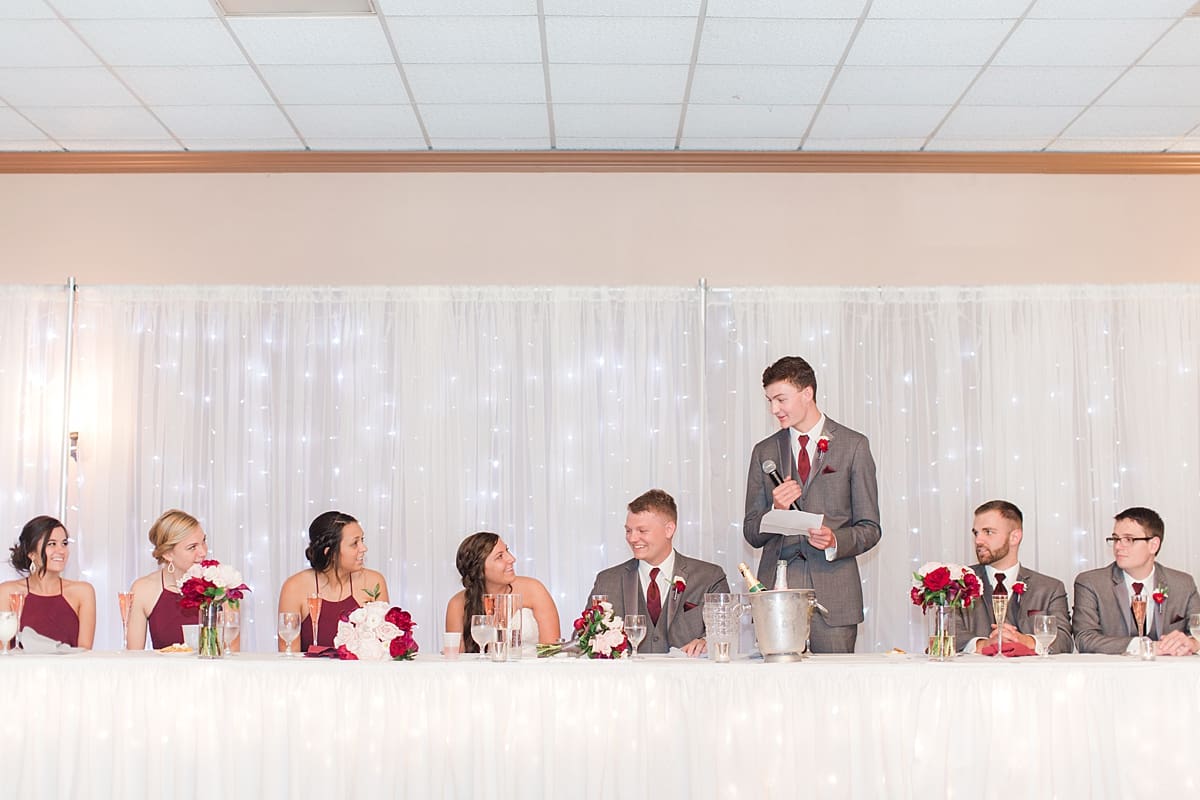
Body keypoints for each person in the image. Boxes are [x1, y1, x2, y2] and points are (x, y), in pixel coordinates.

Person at [742, 356, 881, 653]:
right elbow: (751, 532)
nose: (774, 409)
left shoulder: (854, 446)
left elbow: (870, 528)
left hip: (835, 596)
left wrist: (834, 540)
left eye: (781, 399)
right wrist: (775, 511)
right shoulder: (764, 451)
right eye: (770, 401)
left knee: (836, 681)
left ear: (807, 393)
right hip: (777, 598)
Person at [589, 489, 730, 656]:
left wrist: (708, 642)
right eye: (628, 531)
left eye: (642, 531)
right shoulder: (607, 581)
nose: (632, 538)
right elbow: (584, 640)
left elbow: (726, 635)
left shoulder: (709, 577)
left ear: (669, 530)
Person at [1073, 506, 1200, 656]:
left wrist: (1192, 642)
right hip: (1114, 669)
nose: (1118, 546)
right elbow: (1084, 639)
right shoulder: (1091, 583)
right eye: (1115, 539)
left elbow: (1197, 631)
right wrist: (1145, 646)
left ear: (1153, 545)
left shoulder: (1183, 584)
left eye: (1128, 539)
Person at [956, 500, 1072, 655]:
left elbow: (1064, 640)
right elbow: (944, 634)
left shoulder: (1049, 588)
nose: (978, 541)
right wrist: (984, 644)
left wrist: (1024, 641)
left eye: (988, 532)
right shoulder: (957, 582)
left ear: (1014, 537)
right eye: (976, 533)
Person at [278, 511, 390, 652]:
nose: (364, 548)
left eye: (362, 540)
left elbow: (384, 648)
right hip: (308, 668)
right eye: (354, 543)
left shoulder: (374, 582)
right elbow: (288, 654)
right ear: (329, 553)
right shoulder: (294, 587)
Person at [445, 532, 560, 655]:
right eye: (500, 556)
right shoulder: (457, 604)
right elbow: (456, 659)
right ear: (479, 569)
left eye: (507, 550)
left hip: (534, 666)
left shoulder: (534, 589)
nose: (512, 559)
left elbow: (551, 651)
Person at [1, 515, 95, 649]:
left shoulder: (83, 592)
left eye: (64, 543)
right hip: (21, 664)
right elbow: (3, 650)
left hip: (69, 664)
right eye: (52, 544)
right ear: (31, 553)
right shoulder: (7, 592)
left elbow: (84, 652)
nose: (61, 550)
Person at [126, 509, 215, 650]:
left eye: (203, 541)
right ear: (168, 554)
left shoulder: (218, 584)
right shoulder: (143, 590)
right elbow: (134, 656)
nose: (203, 552)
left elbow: (231, 654)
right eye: (192, 547)